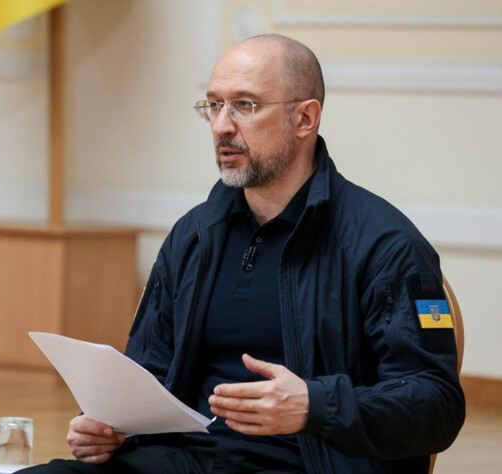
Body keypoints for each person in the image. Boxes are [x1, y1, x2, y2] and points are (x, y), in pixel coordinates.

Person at [23, 34, 465, 473]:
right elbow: (150, 372)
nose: (222, 126)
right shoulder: (194, 235)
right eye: (215, 105)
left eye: (245, 105)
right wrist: (106, 425)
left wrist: (314, 405)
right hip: (182, 460)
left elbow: (437, 405)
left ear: (305, 118)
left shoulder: (386, 245)